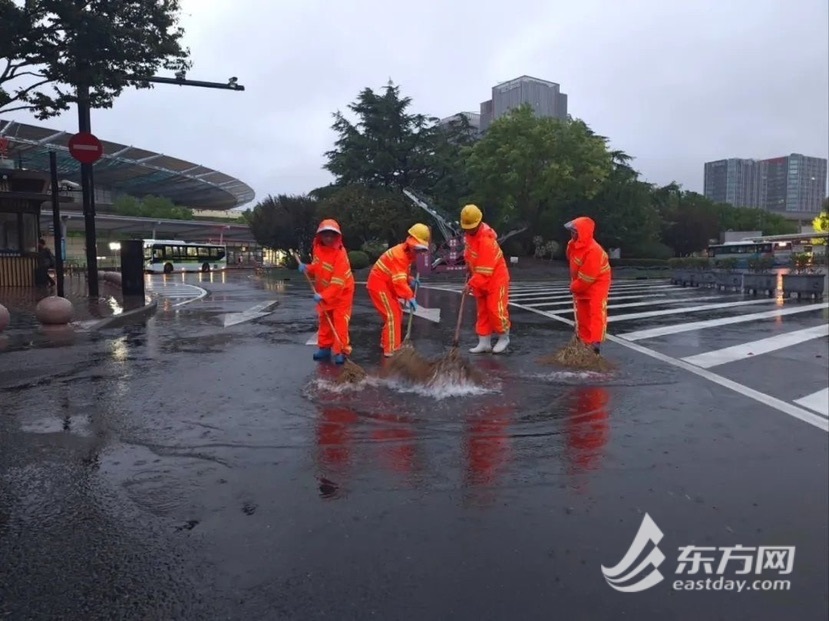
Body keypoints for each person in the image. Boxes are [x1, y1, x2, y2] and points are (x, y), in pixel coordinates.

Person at [366, 223, 430, 357]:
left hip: (386, 284)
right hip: (379, 285)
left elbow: (399, 274)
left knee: (397, 314)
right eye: (417, 249)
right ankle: (392, 351)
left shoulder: (407, 254)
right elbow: (399, 281)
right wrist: (410, 296)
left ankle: (387, 342)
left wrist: (410, 279)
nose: (418, 253)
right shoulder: (399, 255)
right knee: (392, 315)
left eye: (420, 250)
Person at [298, 219, 355, 364]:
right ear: (320, 236)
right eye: (325, 235)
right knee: (324, 319)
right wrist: (307, 268)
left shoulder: (341, 255)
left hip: (342, 293)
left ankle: (340, 350)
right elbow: (318, 267)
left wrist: (323, 295)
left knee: (340, 322)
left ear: (337, 236)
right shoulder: (318, 248)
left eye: (332, 235)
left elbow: (337, 283)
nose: (328, 238)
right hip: (324, 291)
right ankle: (324, 347)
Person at [460, 204, 510, 354]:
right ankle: (484, 342)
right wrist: (468, 265)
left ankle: (504, 337)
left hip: (495, 279)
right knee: (482, 311)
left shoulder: (487, 241)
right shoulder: (469, 237)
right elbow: (469, 254)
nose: (468, 230)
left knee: (495, 310)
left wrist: (470, 284)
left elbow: (484, 272)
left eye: (470, 227)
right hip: (479, 277)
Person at [565, 216, 612, 354]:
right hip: (582, 280)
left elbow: (587, 278)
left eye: (575, 232)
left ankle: (595, 342)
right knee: (582, 311)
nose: (572, 234)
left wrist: (573, 287)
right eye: (572, 231)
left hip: (598, 282)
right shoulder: (573, 245)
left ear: (582, 233)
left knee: (596, 311)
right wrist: (576, 284)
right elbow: (572, 260)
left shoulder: (594, 251)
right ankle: (584, 340)